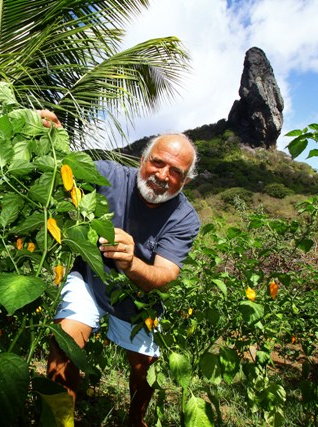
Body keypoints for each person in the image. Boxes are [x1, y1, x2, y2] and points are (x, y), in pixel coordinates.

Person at [40, 110, 200, 427]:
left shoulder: (184, 217)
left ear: (185, 180)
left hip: (138, 297)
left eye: (176, 171)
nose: (163, 175)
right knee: (64, 343)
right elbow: (66, 167)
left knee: (144, 368)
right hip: (91, 278)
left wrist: (130, 262)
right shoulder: (109, 176)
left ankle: (134, 418)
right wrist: (49, 136)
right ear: (143, 159)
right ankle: (60, 422)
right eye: (157, 162)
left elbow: (165, 276)